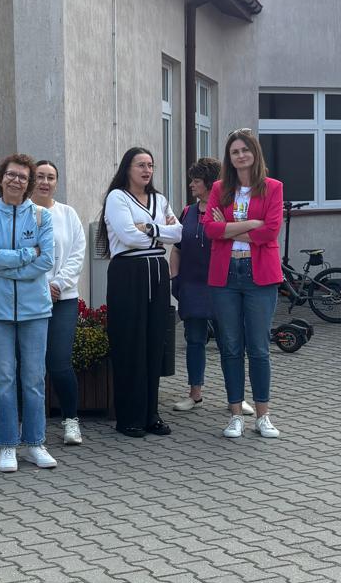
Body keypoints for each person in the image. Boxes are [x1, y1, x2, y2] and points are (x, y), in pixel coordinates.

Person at [0, 153, 56, 473]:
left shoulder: (41, 216)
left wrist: (8, 266)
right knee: (4, 379)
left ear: (29, 182)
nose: (16, 180)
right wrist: (26, 255)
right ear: (1, 177)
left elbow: (46, 260)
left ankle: (35, 443)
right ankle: (7, 444)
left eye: (23, 176)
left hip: (35, 309)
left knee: (34, 379)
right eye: (11, 174)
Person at [202, 128, 283, 439]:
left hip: (258, 274)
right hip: (225, 275)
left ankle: (263, 416)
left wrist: (228, 227)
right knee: (231, 346)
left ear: (254, 153)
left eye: (245, 150)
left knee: (259, 347)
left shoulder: (273, 188)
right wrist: (250, 224)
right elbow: (210, 230)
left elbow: (270, 231)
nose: (240, 155)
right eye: (235, 151)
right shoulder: (219, 188)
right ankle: (235, 414)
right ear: (229, 157)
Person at [98, 147, 182, 439]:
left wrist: (147, 228)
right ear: (127, 168)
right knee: (130, 342)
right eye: (141, 165)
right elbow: (127, 235)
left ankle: (151, 415)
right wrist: (160, 233)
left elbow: (180, 233)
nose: (147, 170)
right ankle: (129, 417)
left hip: (157, 272)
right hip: (128, 273)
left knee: (154, 342)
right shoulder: (117, 197)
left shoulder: (160, 199)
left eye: (150, 165)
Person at [171, 158, 255, 418]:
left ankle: (237, 399)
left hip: (222, 286)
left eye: (196, 180)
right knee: (194, 340)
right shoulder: (187, 212)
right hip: (191, 286)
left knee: (230, 344)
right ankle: (194, 394)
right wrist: (175, 278)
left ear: (209, 184)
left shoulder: (227, 210)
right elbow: (177, 249)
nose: (191, 185)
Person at [31, 160, 86, 447]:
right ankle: (31, 423)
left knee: (59, 362)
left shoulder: (68, 213)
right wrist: (42, 286)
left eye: (50, 177)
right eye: (40, 176)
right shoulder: (23, 213)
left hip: (63, 298)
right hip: (30, 298)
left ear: (56, 182)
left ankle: (70, 420)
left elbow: (78, 253)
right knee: (30, 364)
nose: (45, 182)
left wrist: (57, 284)